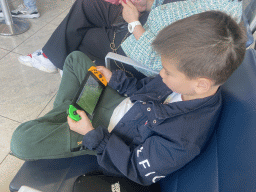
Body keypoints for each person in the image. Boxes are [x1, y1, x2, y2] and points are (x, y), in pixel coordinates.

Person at [10, 10, 247, 185]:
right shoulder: (187, 82)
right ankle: (69, 112)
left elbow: (135, 167)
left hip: (109, 134)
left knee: (20, 141)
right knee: (75, 59)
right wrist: (115, 79)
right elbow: (143, 87)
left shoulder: (184, 139)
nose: (160, 74)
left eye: (167, 71)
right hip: (122, 104)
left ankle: (70, 115)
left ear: (201, 83)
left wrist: (90, 134)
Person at [17, 0, 242, 78]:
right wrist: (148, 3)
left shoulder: (218, 16)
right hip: (146, 19)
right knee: (88, 4)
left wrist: (134, 23)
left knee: (84, 35)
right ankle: (52, 56)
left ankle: (60, 59)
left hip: (140, 41)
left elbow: (158, 63)